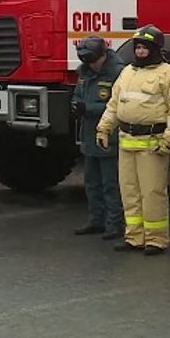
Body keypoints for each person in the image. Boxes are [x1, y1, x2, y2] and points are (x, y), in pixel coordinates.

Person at [96, 25, 170, 256]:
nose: (140, 51)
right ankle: (134, 237)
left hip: (153, 145)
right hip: (127, 142)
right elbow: (114, 105)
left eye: (144, 47)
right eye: (137, 47)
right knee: (130, 193)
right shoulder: (127, 72)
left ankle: (156, 239)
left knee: (152, 194)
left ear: (155, 49)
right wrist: (104, 129)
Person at [72, 35, 125, 240]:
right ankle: (96, 220)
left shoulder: (118, 73)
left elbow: (118, 106)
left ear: (102, 55)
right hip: (88, 134)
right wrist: (77, 105)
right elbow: (78, 94)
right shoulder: (84, 72)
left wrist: (89, 108)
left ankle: (115, 223)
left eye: (92, 60)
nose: (90, 64)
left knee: (110, 184)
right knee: (92, 183)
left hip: (109, 137)